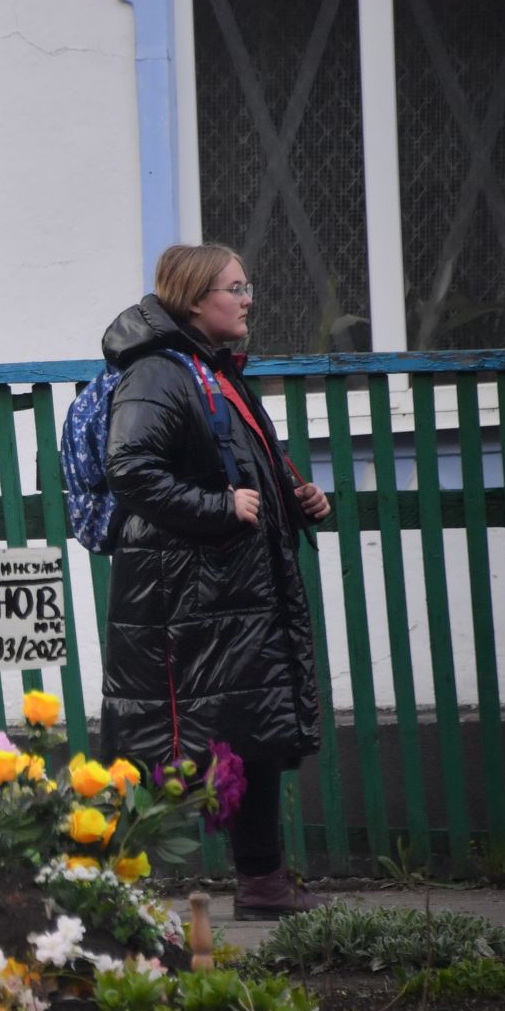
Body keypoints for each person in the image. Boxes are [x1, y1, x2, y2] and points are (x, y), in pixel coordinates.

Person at [98, 243, 332, 920]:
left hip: (230, 593)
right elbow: (131, 468)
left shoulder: (211, 372)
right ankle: (88, 885)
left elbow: (238, 465)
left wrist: (296, 498)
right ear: (197, 300)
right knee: (160, 751)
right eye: (235, 287)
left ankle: (263, 884)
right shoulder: (160, 375)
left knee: (249, 740)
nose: (248, 297)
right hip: (184, 601)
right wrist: (218, 509)